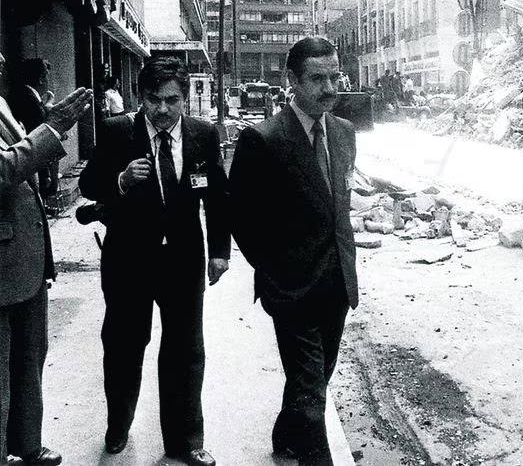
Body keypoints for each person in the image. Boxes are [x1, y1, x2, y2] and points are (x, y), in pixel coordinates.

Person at [78, 57, 229, 466]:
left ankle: (185, 440)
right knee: (126, 345)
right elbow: (87, 184)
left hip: (182, 261)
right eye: (153, 100)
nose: (162, 110)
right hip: (129, 261)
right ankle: (118, 424)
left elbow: (216, 196)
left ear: (184, 99)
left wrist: (219, 251)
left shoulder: (202, 134)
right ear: (140, 97)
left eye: (171, 100)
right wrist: (121, 181)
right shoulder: (116, 133)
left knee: (185, 350)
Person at [229, 36, 359, 465]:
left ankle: (285, 435)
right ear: (293, 82)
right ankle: (311, 455)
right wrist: (275, 273)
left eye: (334, 76)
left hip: (337, 283)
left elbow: (336, 204)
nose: (329, 87)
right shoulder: (262, 140)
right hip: (292, 290)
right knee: (309, 388)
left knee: (316, 377)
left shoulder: (343, 132)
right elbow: (242, 219)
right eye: (317, 79)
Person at [1, 48, 94, 466]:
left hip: (24, 256)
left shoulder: (1, 101)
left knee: (28, 359)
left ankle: (25, 442)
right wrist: (51, 130)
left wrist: (46, 129)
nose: (2, 60)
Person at [9, 59, 58, 200]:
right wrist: (46, 174)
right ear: (41, 78)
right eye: (47, 76)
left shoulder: (23, 94)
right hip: (35, 166)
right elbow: (38, 136)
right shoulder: (29, 99)